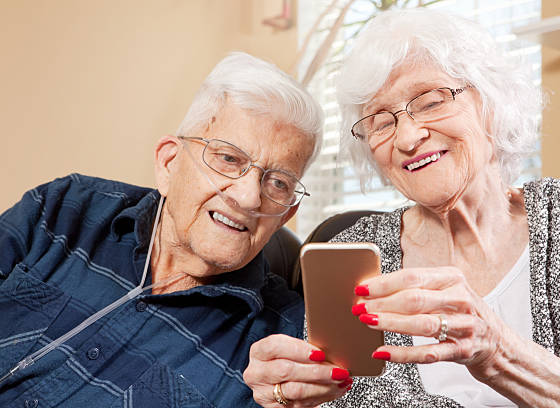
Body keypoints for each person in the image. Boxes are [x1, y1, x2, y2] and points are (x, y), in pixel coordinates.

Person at [243, 8, 560, 407]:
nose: (408, 137)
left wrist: (500, 354)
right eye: (381, 124)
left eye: (432, 102)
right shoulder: (352, 256)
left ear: (492, 102)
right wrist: (287, 394)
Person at [0, 52, 325, 407]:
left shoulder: (283, 342)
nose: (249, 198)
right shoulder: (64, 208)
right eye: (229, 159)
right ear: (169, 163)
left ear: (286, 214)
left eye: (278, 182)